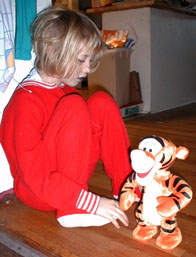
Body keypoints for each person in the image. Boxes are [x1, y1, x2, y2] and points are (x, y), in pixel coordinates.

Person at [0, 7, 133, 228]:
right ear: (54, 52)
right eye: (82, 60)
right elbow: (34, 177)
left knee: (101, 102)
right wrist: (92, 202)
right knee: (75, 105)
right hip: (40, 191)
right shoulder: (26, 100)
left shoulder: (63, 91)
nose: (88, 68)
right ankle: (71, 210)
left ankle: (127, 187)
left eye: (90, 60)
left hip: (68, 183)